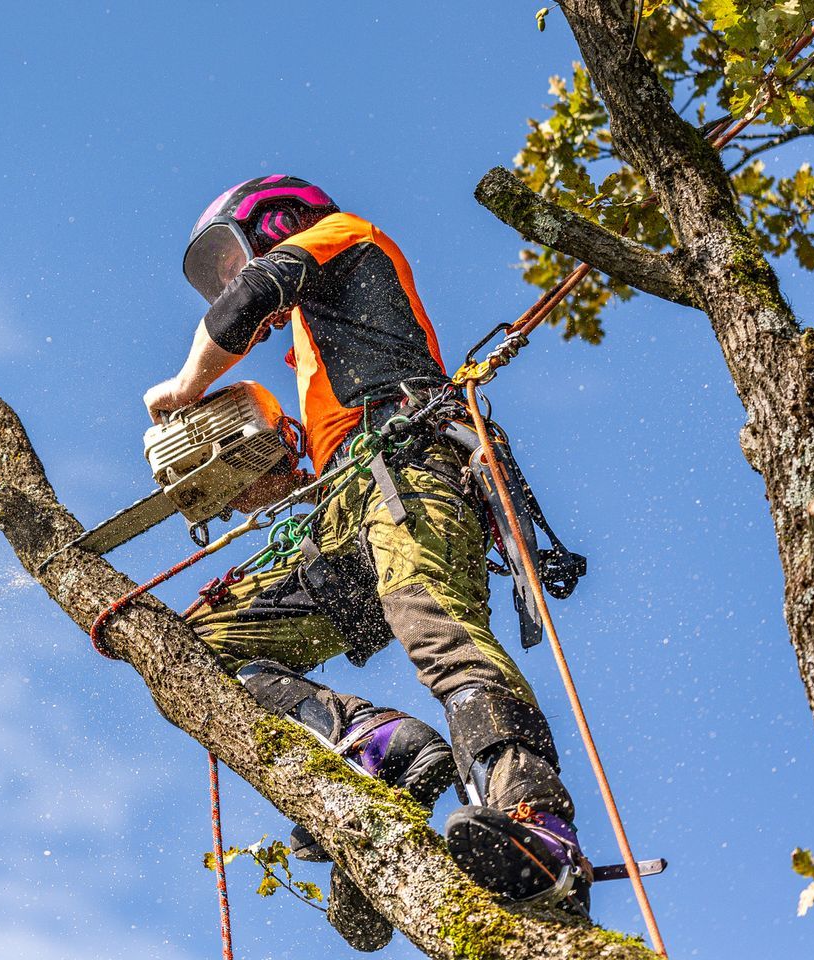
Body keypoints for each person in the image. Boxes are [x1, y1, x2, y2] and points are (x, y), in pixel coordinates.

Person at [144, 176, 590, 932]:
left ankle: (538, 822)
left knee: (437, 631)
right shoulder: (320, 346)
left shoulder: (343, 235)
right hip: (349, 504)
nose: (228, 275)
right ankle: (377, 747)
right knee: (199, 646)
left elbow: (250, 296)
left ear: (277, 220)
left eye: (230, 256)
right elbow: (320, 435)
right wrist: (267, 475)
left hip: (409, 470)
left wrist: (188, 387)